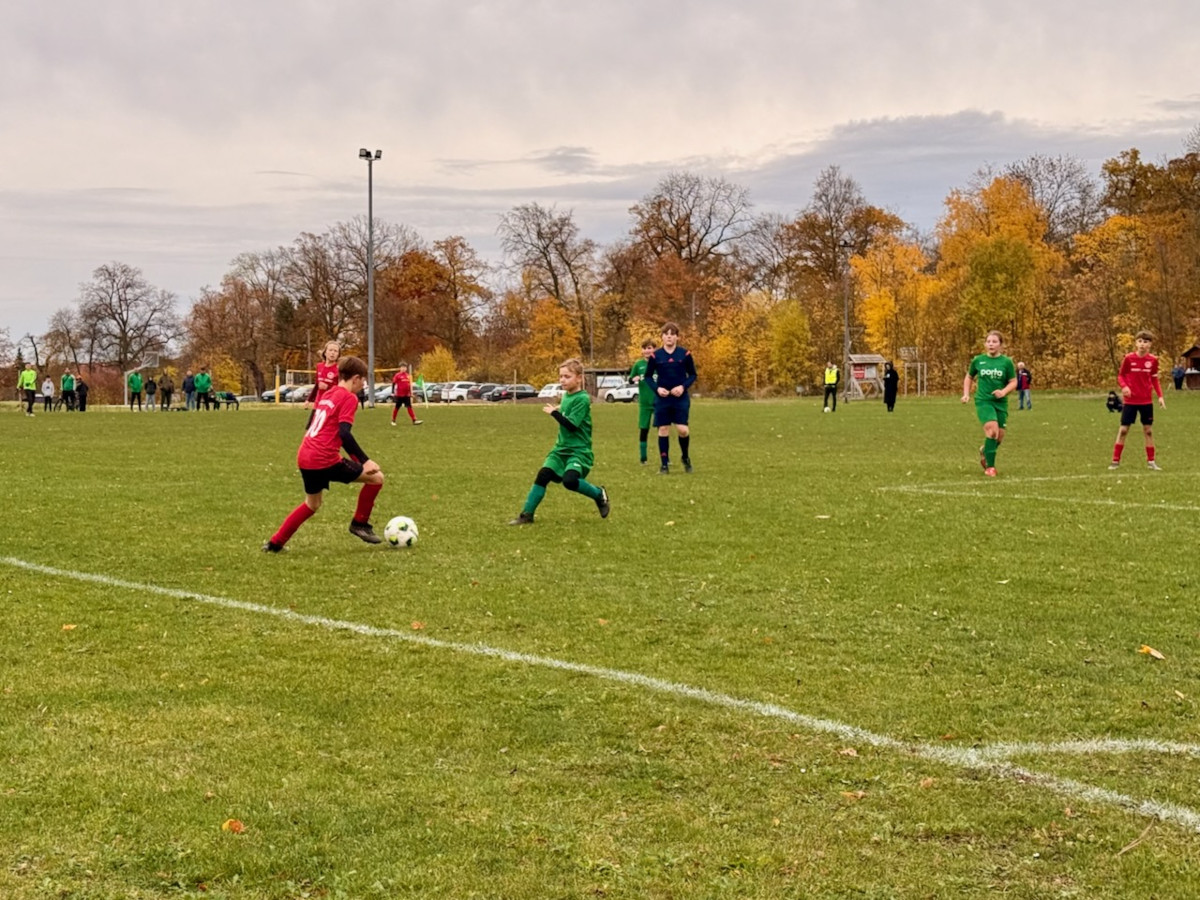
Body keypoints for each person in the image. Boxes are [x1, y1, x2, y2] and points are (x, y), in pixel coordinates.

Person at [263, 356, 386, 552]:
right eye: (363, 381)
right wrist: (365, 461)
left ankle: (275, 543)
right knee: (377, 478)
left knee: (312, 504)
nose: (363, 386)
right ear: (355, 378)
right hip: (324, 458)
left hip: (305, 455)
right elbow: (344, 433)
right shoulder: (349, 398)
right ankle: (359, 523)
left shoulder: (329, 394)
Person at [509, 358, 610, 525]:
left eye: (567, 376)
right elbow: (567, 412)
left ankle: (599, 494)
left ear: (579, 378)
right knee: (543, 475)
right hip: (561, 448)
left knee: (570, 481)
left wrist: (553, 413)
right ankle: (526, 515)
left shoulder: (583, 398)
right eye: (561, 376)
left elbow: (571, 425)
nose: (562, 380)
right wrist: (559, 409)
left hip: (579, 450)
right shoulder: (567, 396)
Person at [643, 322, 698, 474]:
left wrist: (682, 387)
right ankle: (664, 464)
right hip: (663, 399)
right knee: (663, 428)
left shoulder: (684, 354)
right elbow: (648, 377)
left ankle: (685, 457)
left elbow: (693, 375)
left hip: (680, 398)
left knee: (683, 430)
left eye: (672, 334)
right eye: (666, 334)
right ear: (662, 337)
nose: (669, 337)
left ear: (677, 337)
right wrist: (657, 389)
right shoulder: (656, 356)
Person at [961, 330, 1017, 477]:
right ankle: (990, 468)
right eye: (989, 342)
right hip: (983, 401)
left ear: (1001, 345)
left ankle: (985, 451)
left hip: (1000, 402)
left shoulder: (1006, 362)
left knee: (999, 437)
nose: (991, 344)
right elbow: (969, 377)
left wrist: (1003, 392)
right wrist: (966, 394)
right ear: (985, 344)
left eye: (994, 342)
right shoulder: (978, 360)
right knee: (992, 431)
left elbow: (1013, 382)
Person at [1110, 330, 1166, 471]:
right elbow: (1121, 376)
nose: (1142, 344)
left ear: (1150, 345)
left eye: (1146, 342)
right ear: (1136, 343)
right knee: (1123, 430)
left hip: (1146, 401)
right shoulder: (1129, 359)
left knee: (1148, 431)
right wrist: (1124, 387)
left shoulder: (1153, 360)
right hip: (1130, 401)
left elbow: (1154, 379)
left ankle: (1151, 461)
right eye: (1140, 341)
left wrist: (1160, 396)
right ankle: (1115, 461)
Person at [629, 339, 656, 463]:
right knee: (644, 429)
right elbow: (630, 379)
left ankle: (665, 456)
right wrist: (633, 379)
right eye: (645, 348)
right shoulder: (638, 364)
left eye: (649, 348)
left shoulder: (659, 363)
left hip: (658, 401)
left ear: (654, 349)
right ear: (642, 350)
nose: (647, 351)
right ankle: (643, 457)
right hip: (644, 403)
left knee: (663, 429)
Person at [307, 340, 341, 416]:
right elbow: (317, 385)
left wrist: (328, 387)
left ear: (338, 355)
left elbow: (341, 389)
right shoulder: (319, 366)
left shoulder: (338, 369)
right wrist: (309, 399)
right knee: (310, 427)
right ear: (325, 353)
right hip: (318, 403)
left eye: (335, 351)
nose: (333, 353)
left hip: (331, 404)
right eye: (330, 350)